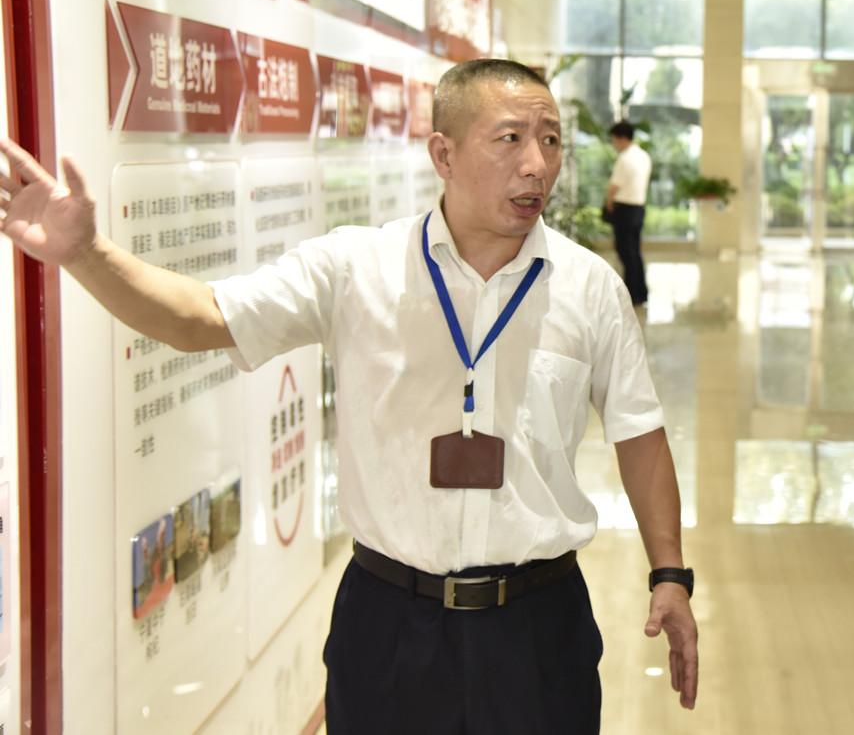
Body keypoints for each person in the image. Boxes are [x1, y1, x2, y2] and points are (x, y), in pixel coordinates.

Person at [0, 59, 698, 734]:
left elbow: (638, 433)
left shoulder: (589, 288)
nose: (537, 165)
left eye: (550, 140)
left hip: (538, 627)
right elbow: (200, 317)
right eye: (510, 138)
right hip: (390, 623)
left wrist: (670, 573)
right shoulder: (354, 268)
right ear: (443, 154)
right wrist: (86, 253)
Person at [604, 120, 652, 306]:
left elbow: (614, 186)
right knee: (635, 251)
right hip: (639, 207)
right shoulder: (644, 156)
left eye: (614, 140)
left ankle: (631, 293)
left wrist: (608, 200)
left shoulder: (624, 158)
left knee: (625, 251)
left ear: (622, 138)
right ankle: (641, 292)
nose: (615, 144)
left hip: (624, 208)